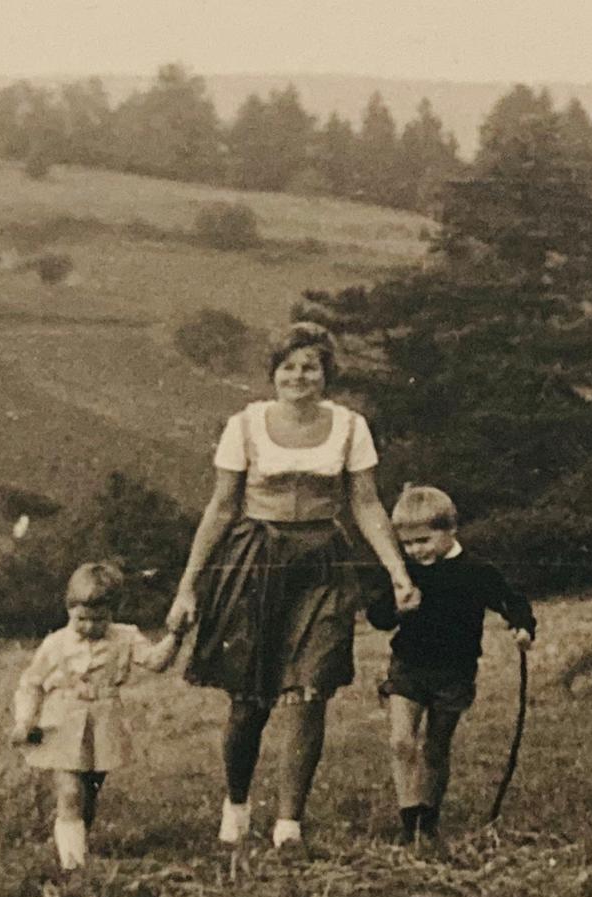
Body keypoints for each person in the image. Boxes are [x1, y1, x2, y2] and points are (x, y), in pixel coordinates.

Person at [167, 322, 418, 857]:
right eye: (289, 366)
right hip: (255, 562)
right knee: (250, 699)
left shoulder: (351, 427)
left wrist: (397, 570)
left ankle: (289, 824)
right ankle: (236, 805)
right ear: (274, 373)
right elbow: (221, 507)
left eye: (311, 366)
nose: (299, 376)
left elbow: (366, 504)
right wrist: (188, 587)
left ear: (327, 374)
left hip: (323, 563)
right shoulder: (246, 424)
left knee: (311, 691)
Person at [366, 485, 536, 848]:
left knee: (436, 748)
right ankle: (408, 821)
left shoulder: (475, 571)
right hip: (409, 666)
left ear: (450, 530)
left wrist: (522, 626)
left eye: (424, 541)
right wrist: (398, 607)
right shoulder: (406, 571)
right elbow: (377, 615)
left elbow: (510, 599)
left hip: (454, 673)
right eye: (408, 544)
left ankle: (429, 817)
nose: (416, 551)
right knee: (400, 741)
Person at [11, 562, 186, 871]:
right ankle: (72, 867)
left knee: (88, 795)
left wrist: (177, 635)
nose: (90, 627)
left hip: (103, 724)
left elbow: (156, 661)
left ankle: (78, 842)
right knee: (69, 791)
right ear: (68, 609)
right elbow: (31, 683)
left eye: (99, 619)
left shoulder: (126, 636)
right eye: (82, 619)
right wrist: (25, 721)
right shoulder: (56, 644)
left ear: (114, 612)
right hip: (62, 721)